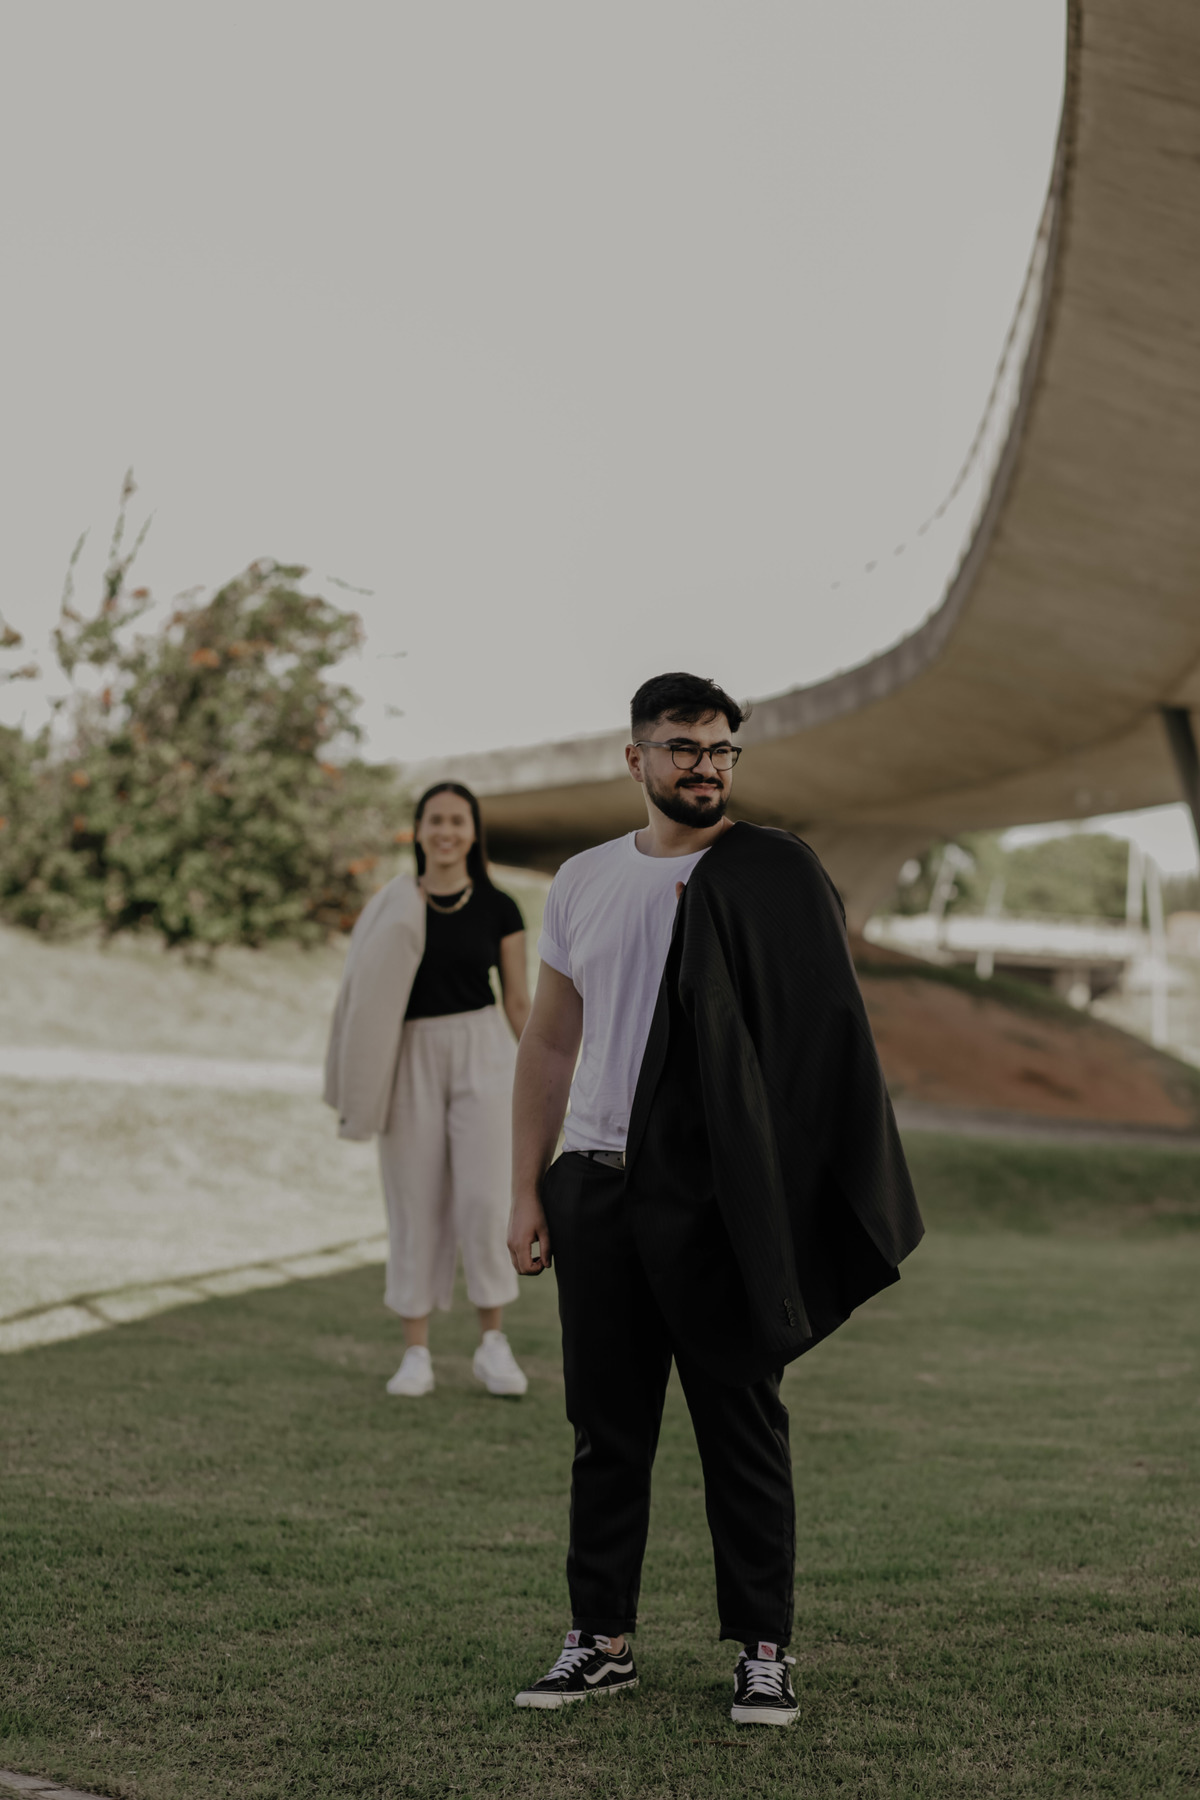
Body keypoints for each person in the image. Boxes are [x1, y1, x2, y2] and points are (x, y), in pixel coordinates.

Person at [507, 671, 923, 1725]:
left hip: (713, 1198)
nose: (705, 766)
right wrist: (526, 1188)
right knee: (606, 1431)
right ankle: (599, 1640)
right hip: (597, 1185)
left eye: (721, 749)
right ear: (636, 757)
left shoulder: (772, 872)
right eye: (684, 747)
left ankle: (764, 1651)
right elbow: (549, 1041)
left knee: (742, 1423)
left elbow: (820, 1037)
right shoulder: (584, 880)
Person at [324, 781, 531, 1399]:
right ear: (417, 831)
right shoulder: (392, 904)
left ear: (473, 832)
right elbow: (360, 994)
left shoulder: (500, 907)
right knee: (412, 1202)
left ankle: (492, 1345)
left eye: (457, 821)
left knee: (485, 1203)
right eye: (434, 820)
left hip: (483, 1052)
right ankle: (415, 1354)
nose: (445, 831)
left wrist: (547, 1077)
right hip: (409, 1054)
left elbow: (518, 1002)